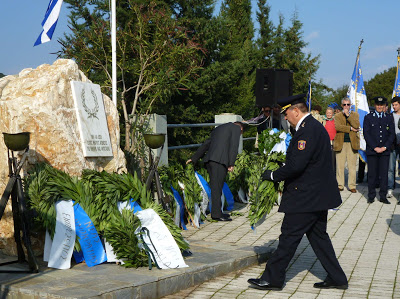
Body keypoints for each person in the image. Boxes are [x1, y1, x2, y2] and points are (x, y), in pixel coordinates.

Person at [247, 94, 348, 291]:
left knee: (288, 237)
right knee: (319, 238)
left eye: (286, 113)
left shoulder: (307, 130)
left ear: (295, 111)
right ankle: (337, 278)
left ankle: (273, 278)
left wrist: (273, 175)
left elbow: (297, 165)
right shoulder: (308, 127)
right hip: (316, 195)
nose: (285, 117)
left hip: (306, 195)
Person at [186, 122, 244, 221]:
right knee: (217, 188)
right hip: (219, 161)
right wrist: (231, 163)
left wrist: (194, 158)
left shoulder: (219, 128)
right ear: (241, 129)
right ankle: (217, 215)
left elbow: (207, 143)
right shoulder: (236, 128)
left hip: (210, 160)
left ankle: (218, 212)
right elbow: (234, 145)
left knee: (216, 186)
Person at [363, 96, 395, 204]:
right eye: (377, 105)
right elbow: (366, 134)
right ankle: (371, 196)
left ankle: (383, 196)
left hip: (385, 151)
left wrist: (384, 147)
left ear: (384, 106)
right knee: (372, 174)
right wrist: (375, 147)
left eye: (381, 105)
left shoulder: (389, 117)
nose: (379, 107)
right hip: (373, 151)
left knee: (384, 174)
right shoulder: (368, 117)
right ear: (375, 105)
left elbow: (391, 134)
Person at [333, 98, 360, 193]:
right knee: (340, 166)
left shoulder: (355, 115)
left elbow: (357, 125)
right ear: (341, 105)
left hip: (352, 143)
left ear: (351, 105)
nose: (346, 106)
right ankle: (340, 185)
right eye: (344, 105)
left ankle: (352, 185)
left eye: (348, 104)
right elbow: (338, 127)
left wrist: (348, 116)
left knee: (352, 166)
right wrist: (351, 128)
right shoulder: (337, 115)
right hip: (341, 143)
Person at [387, 96, 400, 204]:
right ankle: (390, 188)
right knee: (391, 168)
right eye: (393, 105)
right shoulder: (390, 116)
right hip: (392, 145)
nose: (394, 107)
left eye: (396, 105)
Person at [323, 107, 336, 172]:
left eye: (330, 113)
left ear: (333, 113)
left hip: (334, 143)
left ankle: (333, 174)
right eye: (327, 113)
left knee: (333, 160)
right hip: (325, 143)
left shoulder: (335, 121)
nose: (328, 114)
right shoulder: (323, 121)